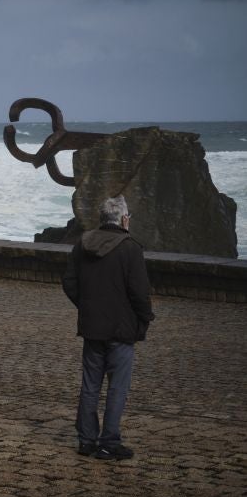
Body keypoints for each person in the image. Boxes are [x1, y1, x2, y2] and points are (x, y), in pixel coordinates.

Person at [62, 196, 154, 460]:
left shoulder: (83, 244)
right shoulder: (130, 248)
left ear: (102, 219)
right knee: (117, 387)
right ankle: (109, 442)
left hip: (92, 326)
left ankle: (87, 440)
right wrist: (144, 319)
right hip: (121, 329)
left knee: (90, 385)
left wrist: (86, 305)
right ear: (124, 219)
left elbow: (69, 282)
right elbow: (140, 293)